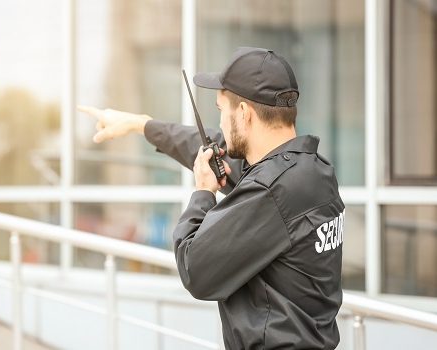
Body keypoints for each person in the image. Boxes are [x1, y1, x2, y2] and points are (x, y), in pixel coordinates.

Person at [78, 47, 345, 350]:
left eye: (221, 111)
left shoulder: (271, 192)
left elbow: (195, 269)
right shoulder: (313, 171)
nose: (218, 124)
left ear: (244, 113)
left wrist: (203, 192)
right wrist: (141, 124)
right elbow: (208, 148)